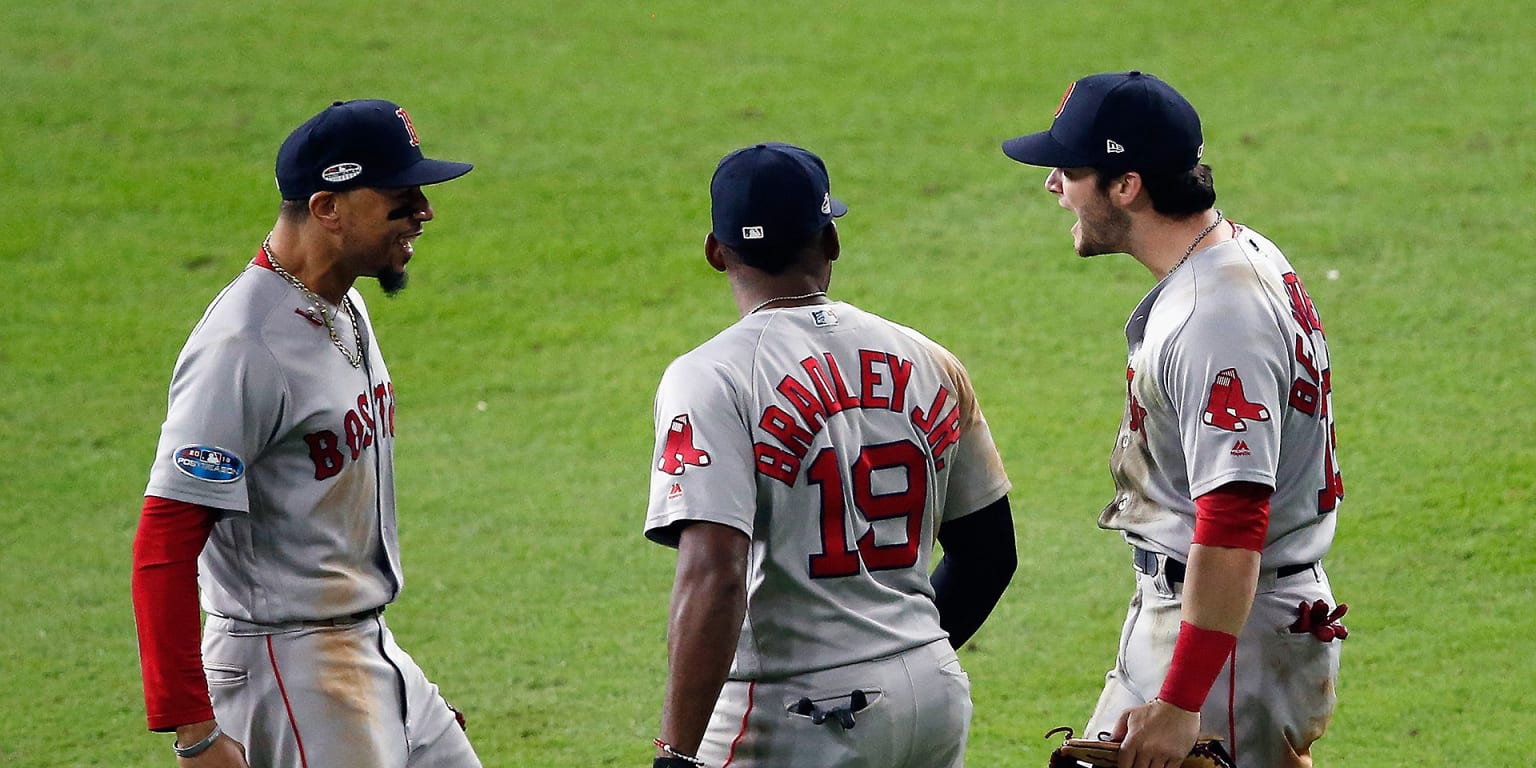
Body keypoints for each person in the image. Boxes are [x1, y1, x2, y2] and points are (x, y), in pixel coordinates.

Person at [1001, 71, 1346, 767]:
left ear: (1126, 186)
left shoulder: (1217, 316)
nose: (1053, 186)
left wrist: (1183, 702)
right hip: (1221, 624)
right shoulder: (1239, 255)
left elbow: (1236, 513)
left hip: (1228, 648)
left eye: (1069, 170)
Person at [643, 142, 1017, 768]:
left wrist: (675, 756)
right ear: (831, 242)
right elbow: (989, 554)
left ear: (716, 251)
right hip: (932, 693)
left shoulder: (710, 377)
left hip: (794, 711)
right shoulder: (928, 359)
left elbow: (714, 572)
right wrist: (902, 659)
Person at [132, 99, 478, 768]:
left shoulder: (340, 301)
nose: (424, 212)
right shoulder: (245, 346)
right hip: (288, 669)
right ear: (328, 208)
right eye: (401, 197)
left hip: (362, 652)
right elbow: (164, 541)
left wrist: (393, 696)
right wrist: (194, 731)